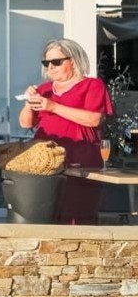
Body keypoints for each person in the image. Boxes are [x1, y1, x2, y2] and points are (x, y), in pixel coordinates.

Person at [19, 38, 114, 224]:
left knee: (79, 214)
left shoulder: (92, 85)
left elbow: (93, 119)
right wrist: (29, 103)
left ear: (74, 60)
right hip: (47, 161)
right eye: (47, 63)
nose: (51, 67)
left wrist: (53, 106)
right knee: (46, 214)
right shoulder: (44, 89)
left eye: (56, 62)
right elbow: (25, 123)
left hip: (80, 159)